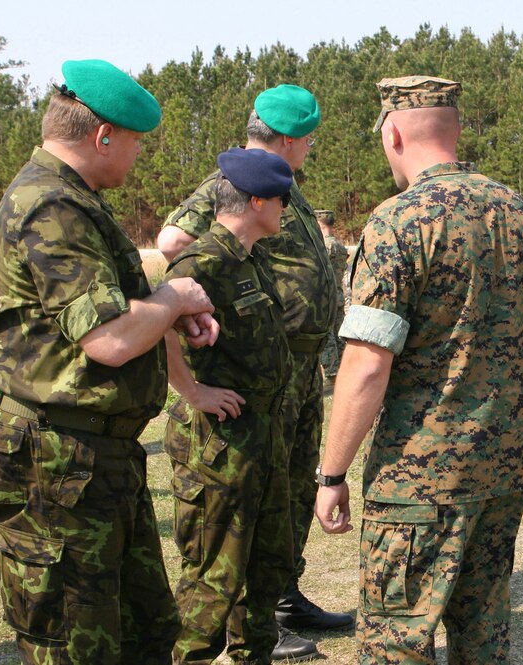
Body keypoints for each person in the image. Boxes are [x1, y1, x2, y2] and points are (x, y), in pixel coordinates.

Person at [314, 75, 523, 664]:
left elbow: (367, 364)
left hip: (417, 481)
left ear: (394, 133)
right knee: (483, 635)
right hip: (501, 468)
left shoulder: (398, 222)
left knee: (396, 641)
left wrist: (332, 474)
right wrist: (514, 420)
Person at [0, 59, 219, 664]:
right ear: (104, 136)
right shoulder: (52, 207)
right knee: (76, 644)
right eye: (137, 143)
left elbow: (113, 307)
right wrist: (176, 298)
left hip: (95, 458)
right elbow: (109, 342)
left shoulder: (73, 199)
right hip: (59, 462)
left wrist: (167, 313)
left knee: (144, 630)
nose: (137, 157)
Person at [157, 84, 346, 658]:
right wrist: (201, 307)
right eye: (309, 139)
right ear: (288, 138)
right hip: (251, 372)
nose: (310, 149)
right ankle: (254, 609)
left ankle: (278, 598)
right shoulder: (238, 188)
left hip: (290, 368)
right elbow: (172, 244)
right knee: (235, 525)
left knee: (283, 499)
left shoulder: (284, 192)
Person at [162, 148, 296, 663]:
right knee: (213, 578)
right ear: (256, 200)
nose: (286, 207)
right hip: (220, 443)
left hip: (262, 432)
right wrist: (192, 392)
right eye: (281, 199)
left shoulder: (249, 258)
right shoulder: (202, 263)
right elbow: (160, 330)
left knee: (266, 568)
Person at [316, 210, 349, 380]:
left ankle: (332, 373)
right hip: (338, 295)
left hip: (326, 296)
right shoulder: (341, 246)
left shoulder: (323, 247)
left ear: (320, 225)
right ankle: (344, 369)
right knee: (339, 334)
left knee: (327, 335)